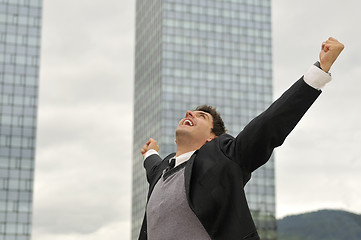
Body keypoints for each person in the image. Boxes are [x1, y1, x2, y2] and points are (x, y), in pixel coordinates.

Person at [138, 37, 344, 240]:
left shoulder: (223, 157)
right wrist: (151, 151)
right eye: (189, 113)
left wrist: (319, 72)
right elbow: (152, 164)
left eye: (201, 116)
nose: (189, 114)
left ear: (212, 139)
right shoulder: (161, 171)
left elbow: (269, 124)